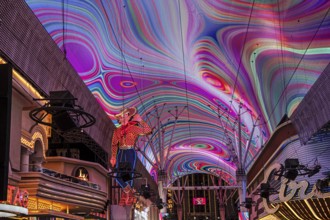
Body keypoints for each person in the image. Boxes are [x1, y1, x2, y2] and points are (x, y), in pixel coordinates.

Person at [110, 107, 152, 205]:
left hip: (129, 152)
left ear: (129, 117)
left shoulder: (133, 128)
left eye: (126, 114)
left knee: (128, 176)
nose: (124, 116)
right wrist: (113, 156)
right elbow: (114, 144)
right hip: (121, 152)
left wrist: (140, 121)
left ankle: (128, 196)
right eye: (122, 115)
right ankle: (129, 192)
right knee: (118, 177)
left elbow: (148, 130)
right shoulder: (117, 131)